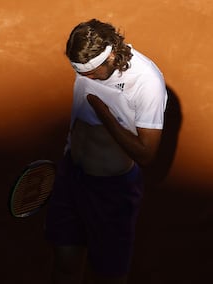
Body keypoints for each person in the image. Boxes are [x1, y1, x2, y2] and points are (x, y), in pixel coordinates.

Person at [45, 19, 168, 284]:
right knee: (64, 263)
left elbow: (147, 154)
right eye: (78, 71)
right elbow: (79, 114)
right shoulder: (86, 66)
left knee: (108, 275)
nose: (83, 77)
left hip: (112, 192)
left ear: (111, 55)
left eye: (89, 73)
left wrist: (106, 115)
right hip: (71, 177)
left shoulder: (146, 81)